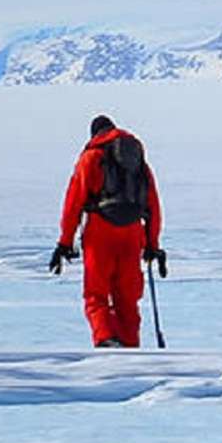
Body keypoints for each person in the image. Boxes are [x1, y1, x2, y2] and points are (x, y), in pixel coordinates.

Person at [51, 115, 165, 348]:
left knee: (96, 294)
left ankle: (105, 340)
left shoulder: (91, 157)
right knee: (128, 298)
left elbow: (73, 202)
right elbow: (152, 205)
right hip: (133, 233)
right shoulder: (138, 163)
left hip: (100, 231)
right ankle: (130, 346)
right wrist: (153, 244)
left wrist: (65, 242)